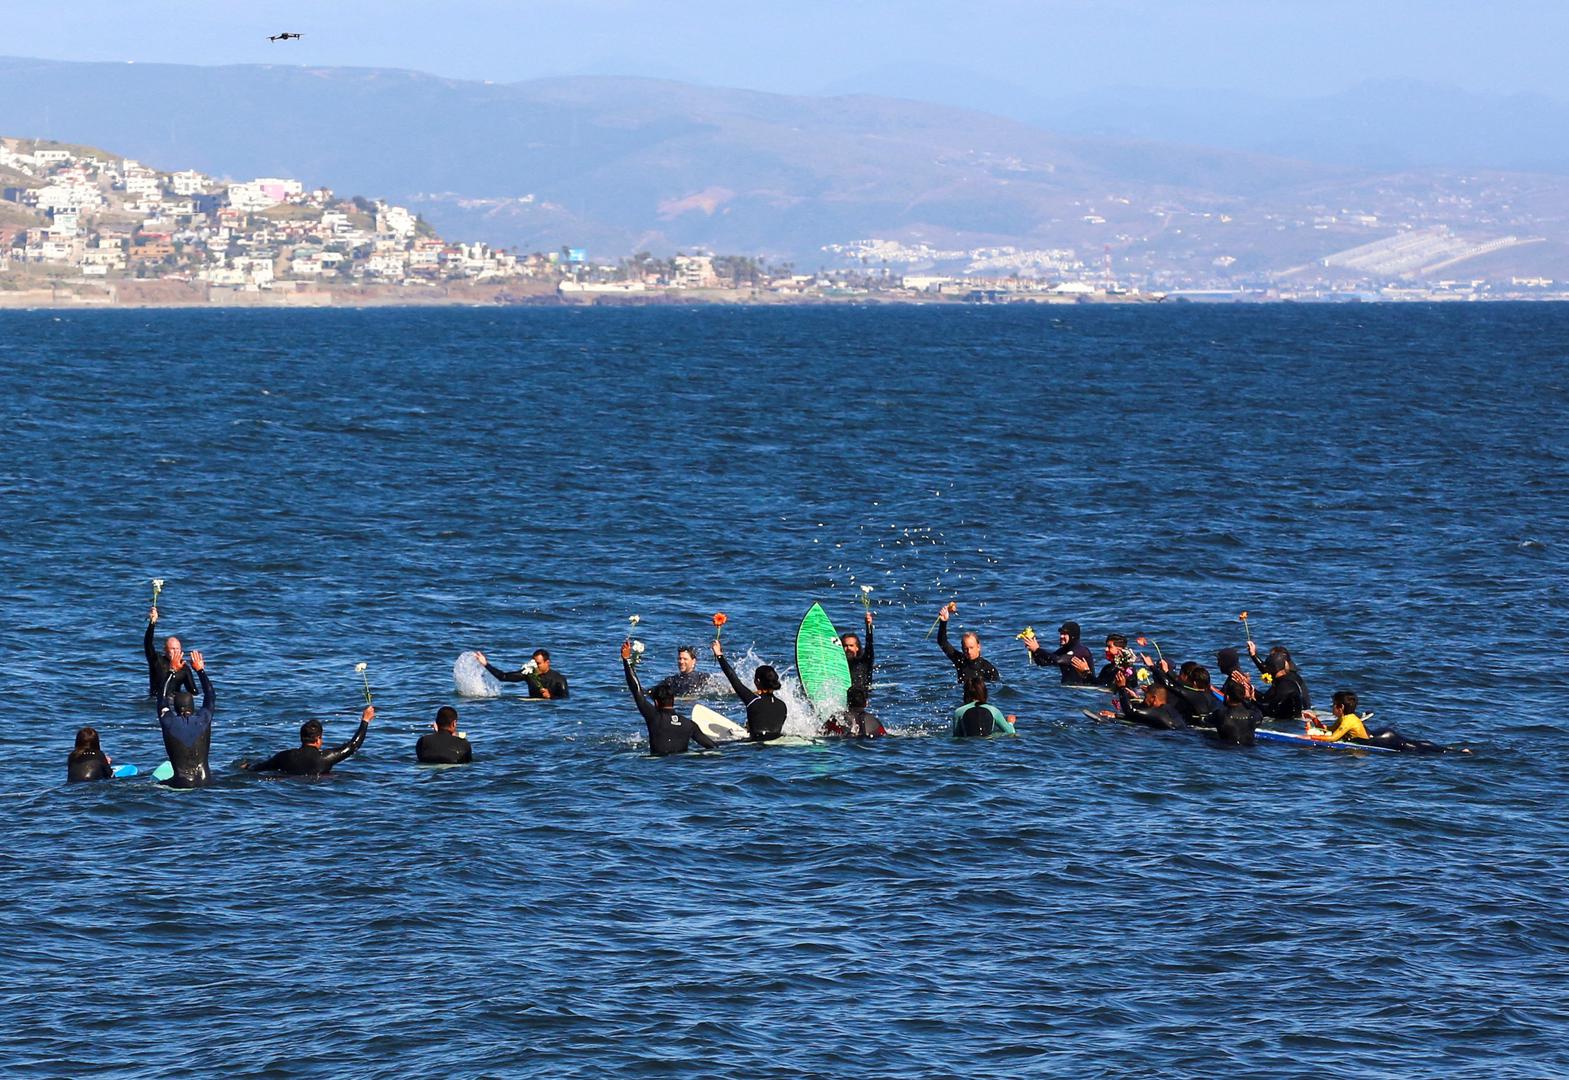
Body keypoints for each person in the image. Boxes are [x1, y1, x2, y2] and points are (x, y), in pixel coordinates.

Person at [623, 641, 717, 755]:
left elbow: (637, 692)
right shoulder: (671, 681)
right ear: (672, 700)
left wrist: (627, 662)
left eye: (685, 659)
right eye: (679, 659)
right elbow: (713, 747)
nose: (681, 662)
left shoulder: (704, 678)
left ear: (694, 661)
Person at [1308, 690, 1470, 754]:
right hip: (1379, 734)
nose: (1331, 708)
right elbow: (1329, 730)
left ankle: (1453, 752)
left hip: (1383, 738)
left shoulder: (1349, 720)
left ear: (1340, 707)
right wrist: (1315, 721)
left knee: (1412, 747)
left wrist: (1312, 739)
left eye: (1333, 706)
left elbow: (1332, 738)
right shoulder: (1344, 718)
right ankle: (1450, 749)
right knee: (1412, 744)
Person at [245, 707, 373, 776]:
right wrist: (365, 720)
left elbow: (258, 767)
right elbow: (353, 746)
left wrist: (247, 766)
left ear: (302, 738)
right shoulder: (325, 758)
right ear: (318, 739)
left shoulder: (284, 756)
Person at [157, 648, 215, 788]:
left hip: (180, 783)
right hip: (206, 782)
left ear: (175, 708)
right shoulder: (204, 718)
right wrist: (200, 670)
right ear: (193, 707)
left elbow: (161, 699)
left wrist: (171, 671)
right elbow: (210, 695)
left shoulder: (169, 722)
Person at [711, 639, 787, 742]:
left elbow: (732, 678)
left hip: (755, 746)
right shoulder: (782, 706)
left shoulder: (752, 700)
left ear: (757, 681)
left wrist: (719, 655)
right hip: (776, 747)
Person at [936, 606, 1000, 685]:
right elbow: (942, 642)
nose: (969, 652)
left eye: (971, 648)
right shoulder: (960, 660)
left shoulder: (989, 669)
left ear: (978, 647)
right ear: (962, 649)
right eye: (966, 649)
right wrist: (943, 622)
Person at [144, 606, 196, 701]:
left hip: (174, 702)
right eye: (172, 649)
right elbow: (148, 644)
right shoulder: (157, 661)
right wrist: (152, 623)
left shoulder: (184, 668)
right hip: (157, 700)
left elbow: (193, 692)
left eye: (177, 649)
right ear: (165, 650)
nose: (175, 651)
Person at [475, 649, 569, 699]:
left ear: (547, 662)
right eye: (534, 663)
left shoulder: (559, 679)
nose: (535, 666)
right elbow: (503, 677)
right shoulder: (528, 673)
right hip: (532, 710)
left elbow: (565, 700)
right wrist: (486, 664)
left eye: (538, 664)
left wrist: (551, 696)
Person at [1025, 622, 1096, 686]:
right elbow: (1042, 662)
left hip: (1084, 690)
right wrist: (1033, 650)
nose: (1061, 636)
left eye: (1065, 634)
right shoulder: (1063, 651)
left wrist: (1037, 649)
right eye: (1061, 633)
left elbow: (1058, 660)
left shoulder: (1080, 651)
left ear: (1073, 636)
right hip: (1068, 689)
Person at [1253, 648, 1310, 721]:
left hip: (1291, 724)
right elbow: (1266, 699)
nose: (1265, 672)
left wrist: (1252, 700)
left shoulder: (1285, 685)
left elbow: (1270, 711)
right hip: (1291, 720)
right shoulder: (1283, 681)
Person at [1152, 661, 1217, 724]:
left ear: (1194, 683)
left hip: (1196, 727)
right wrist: (1167, 671)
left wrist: (1152, 666)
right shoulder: (1211, 695)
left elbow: (1171, 686)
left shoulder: (1194, 696)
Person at [951, 677, 1016, 738]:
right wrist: (1010, 722)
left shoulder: (958, 712)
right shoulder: (993, 710)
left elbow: (957, 736)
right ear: (984, 692)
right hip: (988, 744)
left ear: (965, 693)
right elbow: (1010, 732)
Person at [1115, 679, 1187, 731]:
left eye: (1146, 697)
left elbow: (1130, 711)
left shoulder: (1158, 713)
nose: (1144, 700)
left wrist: (1121, 688)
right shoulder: (1169, 709)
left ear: (1154, 698)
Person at [841, 610, 876, 695]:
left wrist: (869, 626)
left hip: (862, 699)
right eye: (845, 646)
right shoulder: (839, 664)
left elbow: (869, 644)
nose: (848, 648)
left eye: (851, 645)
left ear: (857, 647)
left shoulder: (864, 661)